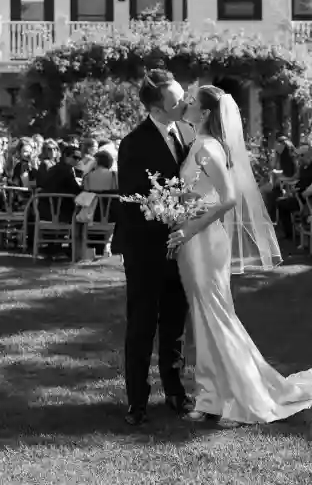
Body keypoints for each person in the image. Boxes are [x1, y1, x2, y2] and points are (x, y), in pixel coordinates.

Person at [167, 85, 312, 425]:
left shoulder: (208, 148)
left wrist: (191, 227)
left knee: (216, 318)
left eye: (191, 102)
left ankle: (239, 400)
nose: (186, 105)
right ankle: (211, 398)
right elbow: (198, 194)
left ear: (205, 114)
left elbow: (229, 197)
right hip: (194, 241)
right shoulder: (197, 145)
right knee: (203, 320)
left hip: (204, 240)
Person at [116, 69, 195, 426]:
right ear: (157, 107)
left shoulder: (189, 134)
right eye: (177, 100)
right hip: (145, 247)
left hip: (181, 247)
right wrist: (171, 211)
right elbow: (135, 198)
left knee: (175, 321)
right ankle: (137, 399)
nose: (184, 103)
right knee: (142, 324)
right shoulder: (134, 142)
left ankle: (175, 390)